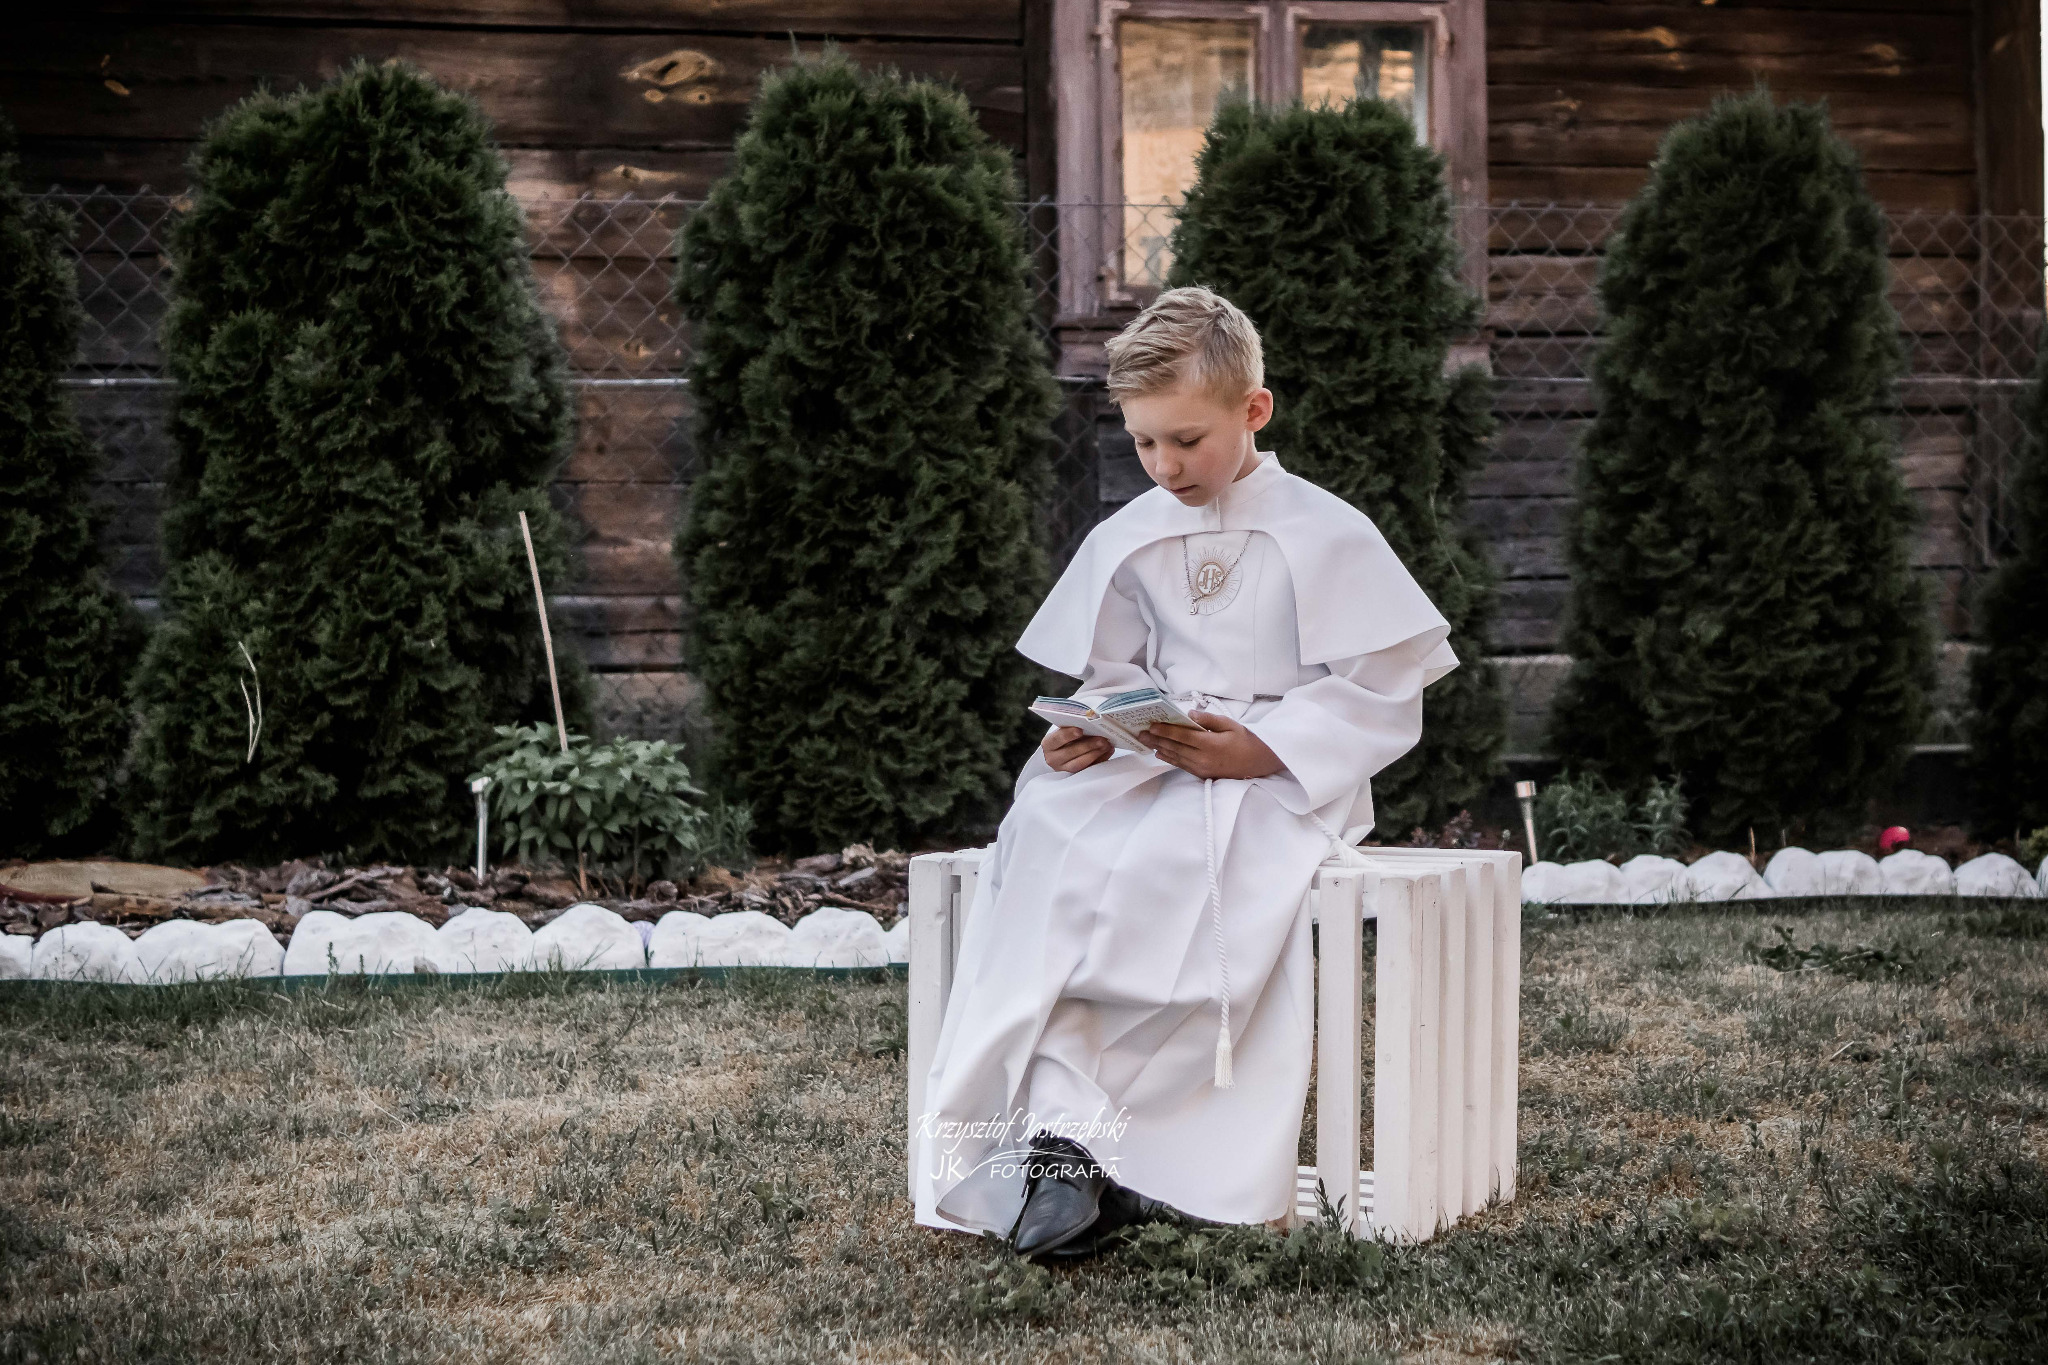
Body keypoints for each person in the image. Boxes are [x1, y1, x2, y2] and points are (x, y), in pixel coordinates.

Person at [911, 286, 1458, 1260]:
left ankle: (1128, 1158)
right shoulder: (1132, 535)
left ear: (1254, 410)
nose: (1164, 466)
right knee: (1049, 833)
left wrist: (1259, 749)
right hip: (1157, 758)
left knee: (1177, 872)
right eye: (1143, 443)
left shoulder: (1325, 530)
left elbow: (1380, 690)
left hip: (1279, 772)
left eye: (1186, 441)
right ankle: (1057, 1141)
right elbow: (1114, 674)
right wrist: (1087, 733)